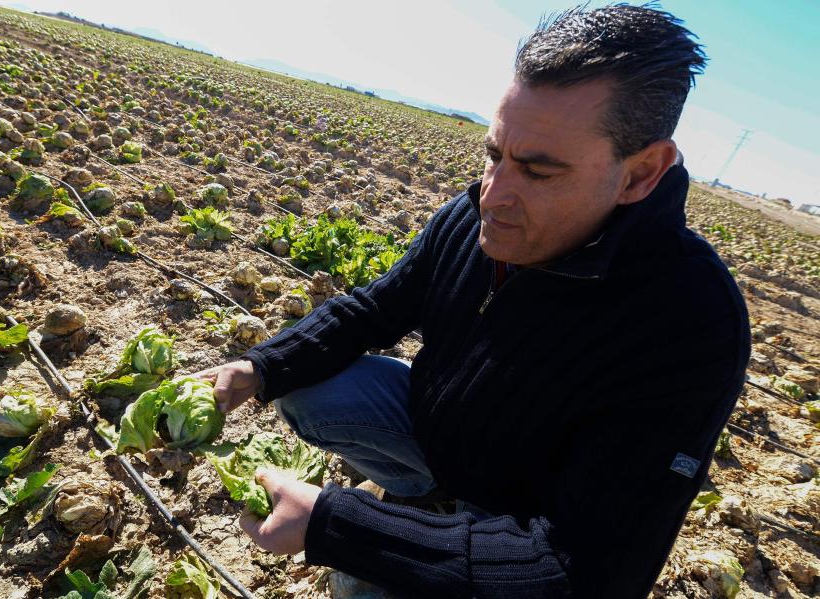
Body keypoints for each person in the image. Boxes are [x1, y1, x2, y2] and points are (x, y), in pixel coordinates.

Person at [195, 5, 751, 598]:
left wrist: (336, 527)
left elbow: (585, 571)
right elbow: (376, 308)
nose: (493, 195)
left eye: (538, 172)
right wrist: (259, 365)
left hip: (519, 517)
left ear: (641, 174)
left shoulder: (691, 322)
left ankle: (455, 533)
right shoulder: (475, 216)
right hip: (440, 439)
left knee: (365, 582)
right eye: (495, 156)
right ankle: (423, 495)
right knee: (308, 383)